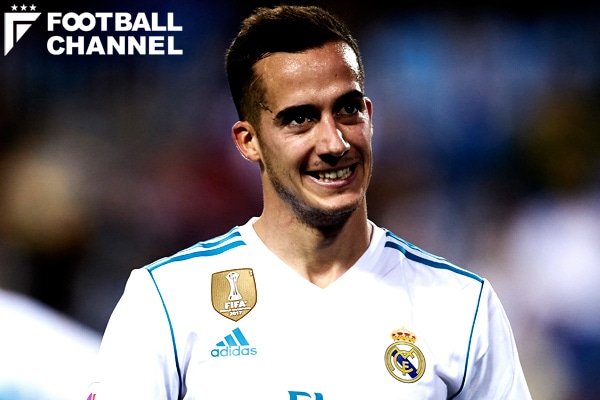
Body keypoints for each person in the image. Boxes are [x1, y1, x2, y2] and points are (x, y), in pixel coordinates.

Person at [89, 5, 531, 399]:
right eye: (300, 119)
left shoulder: (462, 306)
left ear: (369, 116)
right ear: (248, 141)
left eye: (347, 109)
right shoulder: (167, 300)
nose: (334, 143)